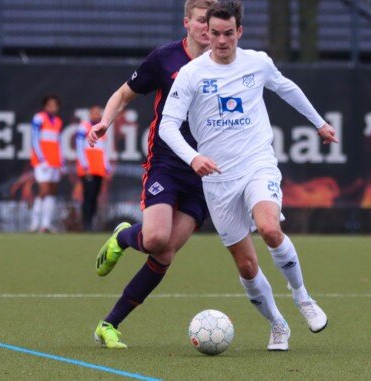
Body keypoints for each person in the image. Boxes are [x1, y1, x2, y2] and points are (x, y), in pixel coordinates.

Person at [159, 0, 337, 351]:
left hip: (257, 163)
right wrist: (194, 158)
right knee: (246, 264)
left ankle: (302, 297)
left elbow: (287, 89)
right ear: (205, 33)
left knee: (270, 228)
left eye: (228, 34)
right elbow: (167, 126)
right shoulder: (192, 74)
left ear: (239, 32)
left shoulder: (257, 63)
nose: (221, 41)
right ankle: (278, 324)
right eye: (215, 34)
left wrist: (319, 123)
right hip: (217, 179)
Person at [88, 0, 217, 349]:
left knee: (165, 253)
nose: (208, 28)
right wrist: (105, 122)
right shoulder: (165, 58)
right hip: (166, 164)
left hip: (204, 174)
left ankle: (108, 325)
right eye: (202, 21)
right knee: (157, 238)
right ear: (186, 23)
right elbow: (124, 93)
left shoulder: (226, 64)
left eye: (214, 22)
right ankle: (123, 237)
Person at [29, 94, 63, 233]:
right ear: (45, 106)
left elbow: (59, 142)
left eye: (55, 105)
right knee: (43, 191)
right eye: (50, 104)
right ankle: (34, 223)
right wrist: (42, 158)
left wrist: (61, 161)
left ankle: (46, 224)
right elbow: (34, 139)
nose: (53, 107)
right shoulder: (39, 118)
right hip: (42, 162)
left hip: (55, 162)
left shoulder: (58, 121)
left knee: (52, 192)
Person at [76, 105, 112, 231]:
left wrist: (107, 168)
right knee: (88, 196)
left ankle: (91, 223)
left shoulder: (102, 130)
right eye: (94, 113)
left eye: (98, 113)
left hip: (99, 170)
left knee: (95, 197)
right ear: (90, 115)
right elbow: (79, 148)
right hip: (88, 170)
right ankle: (86, 223)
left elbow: (104, 152)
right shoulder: (83, 127)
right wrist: (85, 166)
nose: (96, 116)